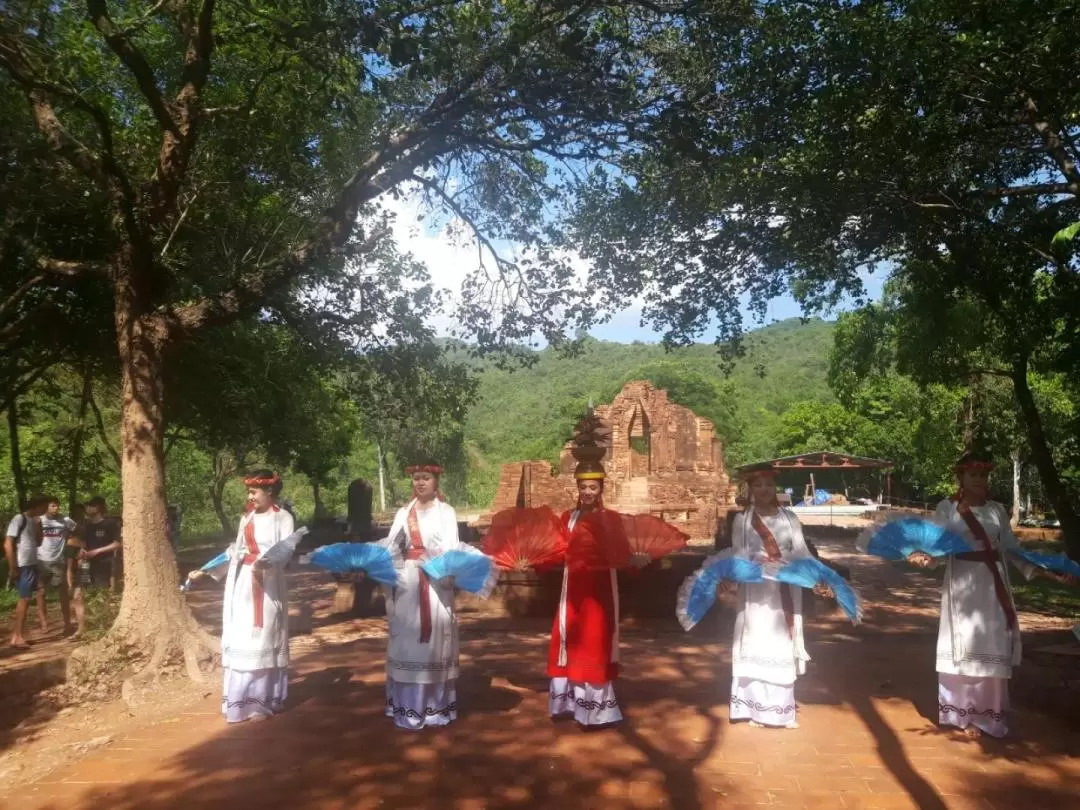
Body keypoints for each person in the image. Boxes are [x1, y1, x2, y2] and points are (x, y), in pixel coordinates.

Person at [907, 451, 1075, 739]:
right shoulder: (947, 508)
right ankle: (960, 715)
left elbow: (1011, 549)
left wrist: (1047, 572)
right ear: (961, 477)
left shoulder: (997, 510)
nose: (979, 480)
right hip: (961, 583)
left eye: (983, 475)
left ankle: (988, 717)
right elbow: (935, 545)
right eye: (973, 474)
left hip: (993, 583)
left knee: (994, 642)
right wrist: (924, 557)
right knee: (962, 642)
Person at [377, 461, 483, 730]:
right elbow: (391, 546)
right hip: (408, 580)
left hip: (436, 582)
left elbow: (450, 547)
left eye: (425, 478)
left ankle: (434, 709)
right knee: (407, 641)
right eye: (416, 478)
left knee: (433, 643)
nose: (420, 483)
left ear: (436, 482)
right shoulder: (404, 512)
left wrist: (447, 572)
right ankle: (407, 707)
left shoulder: (444, 511)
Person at [722, 463, 820, 730]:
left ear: (774, 488)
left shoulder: (789, 518)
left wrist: (814, 575)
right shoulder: (743, 521)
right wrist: (751, 565)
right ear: (750, 489)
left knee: (780, 640)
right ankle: (752, 707)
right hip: (754, 590)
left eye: (768, 485)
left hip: (785, 588)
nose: (763, 490)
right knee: (755, 637)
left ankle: (780, 710)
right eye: (757, 485)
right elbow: (738, 553)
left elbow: (801, 551)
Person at [547, 414, 624, 728]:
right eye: (582, 487)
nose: (587, 492)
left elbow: (621, 553)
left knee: (596, 638)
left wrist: (636, 559)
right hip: (572, 587)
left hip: (600, 588)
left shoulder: (612, 520)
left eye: (592, 487)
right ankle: (569, 702)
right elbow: (556, 549)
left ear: (601, 487)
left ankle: (596, 709)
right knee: (569, 636)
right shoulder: (568, 517)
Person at [70, 496, 121, 641]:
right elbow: (84, 543)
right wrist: (81, 553)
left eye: (91, 505)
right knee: (78, 595)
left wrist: (97, 551)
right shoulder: (87, 525)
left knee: (101, 596)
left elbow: (117, 544)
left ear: (99, 507)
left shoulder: (110, 524)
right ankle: (81, 629)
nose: (88, 508)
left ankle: (102, 628)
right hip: (86, 564)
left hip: (102, 564)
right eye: (87, 505)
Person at [5, 495, 49, 649]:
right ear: (37, 506)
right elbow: (8, 543)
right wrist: (12, 567)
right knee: (24, 598)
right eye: (43, 507)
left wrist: (39, 527)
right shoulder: (19, 519)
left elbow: (38, 542)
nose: (45, 511)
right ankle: (17, 637)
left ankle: (18, 635)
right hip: (23, 565)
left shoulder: (34, 521)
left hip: (32, 564)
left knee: (32, 596)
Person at [36, 497, 75, 636]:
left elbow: (77, 531)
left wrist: (70, 537)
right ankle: (43, 622)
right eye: (53, 506)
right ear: (47, 507)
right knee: (41, 592)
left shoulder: (66, 520)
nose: (56, 508)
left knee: (63, 592)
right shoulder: (39, 520)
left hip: (59, 560)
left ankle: (67, 623)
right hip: (41, 559)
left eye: (57, 506)